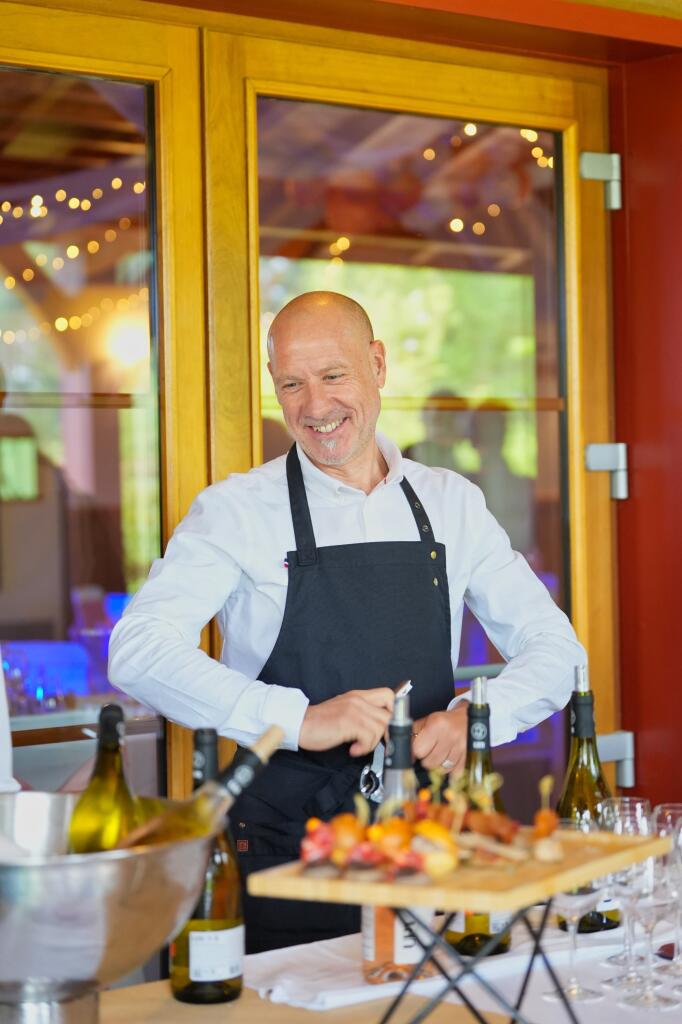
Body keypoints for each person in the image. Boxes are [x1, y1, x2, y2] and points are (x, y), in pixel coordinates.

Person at [109, 291, 585, 952]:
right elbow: (137, 649)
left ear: (378, 365)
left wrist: (474, 721)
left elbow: (556, 648)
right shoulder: (238, 509)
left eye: (333, 376)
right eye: (291, 385)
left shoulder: (451, 503)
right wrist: (296, 718)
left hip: (430, 841)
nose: (314, 406)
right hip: (290, 848)